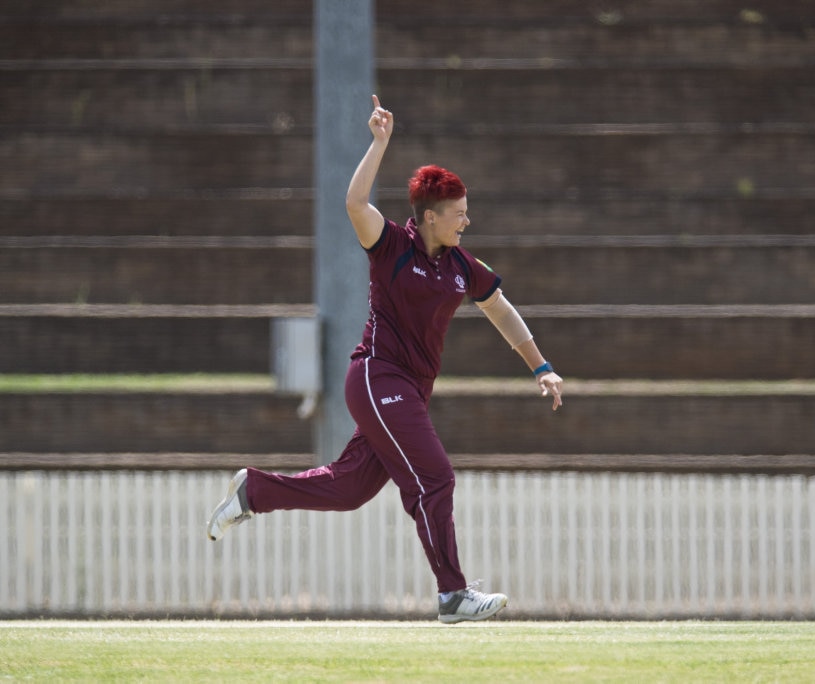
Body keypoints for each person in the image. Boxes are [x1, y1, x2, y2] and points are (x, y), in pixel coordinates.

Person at [206, 95, 564, 624]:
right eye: (459, 214)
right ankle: (453, 595)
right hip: (376, 377)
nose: (467, 220)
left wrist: (541, 365)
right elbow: (353, 203)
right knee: (436, 476)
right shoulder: (392, 244)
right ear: (429, 218)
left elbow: (500, 309)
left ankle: (254, 490)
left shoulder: (464, 263)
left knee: (349, 489)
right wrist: (379, 144)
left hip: (408, 391)